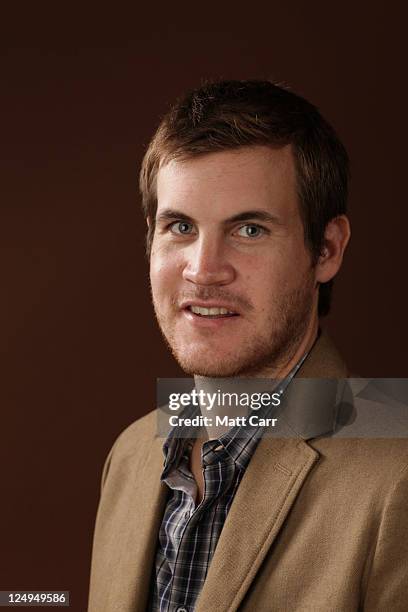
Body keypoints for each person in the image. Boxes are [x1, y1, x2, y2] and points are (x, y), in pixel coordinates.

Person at [88, 80, 408, 611]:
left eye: (250, 230)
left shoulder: (397, 478)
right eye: (181, 226)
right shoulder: (129, 457)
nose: (204, 269)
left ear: (327, 250)